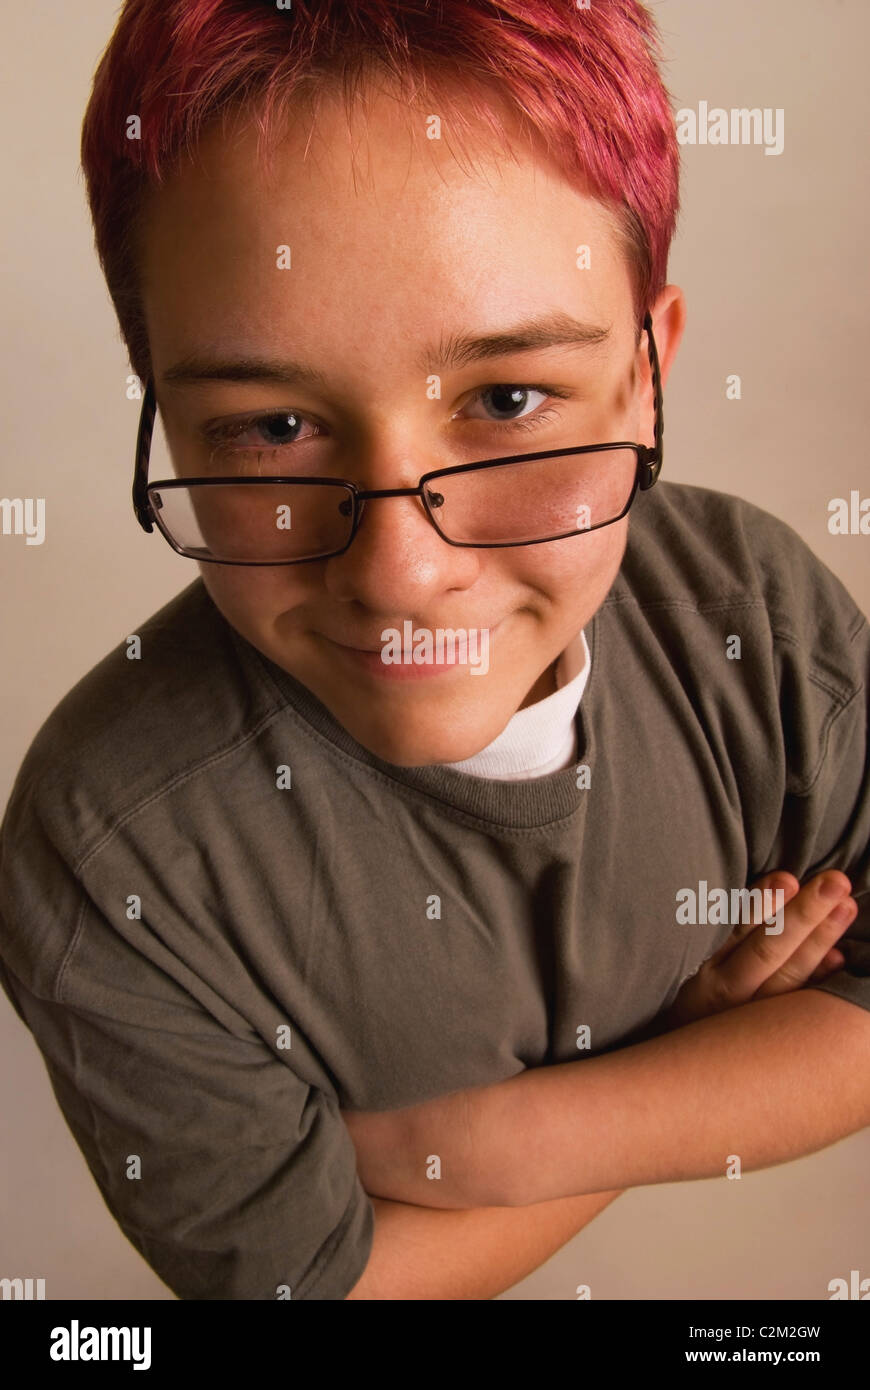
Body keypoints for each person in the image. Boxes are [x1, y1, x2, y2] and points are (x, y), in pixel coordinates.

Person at [0, 0, 867, 1301]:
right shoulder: (116, 850)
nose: (401, 568)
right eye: (271, 427)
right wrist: (697, 1059)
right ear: (166, 415)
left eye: (509, 401)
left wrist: (467, 1146)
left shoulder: (753, 615)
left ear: (646, 376)